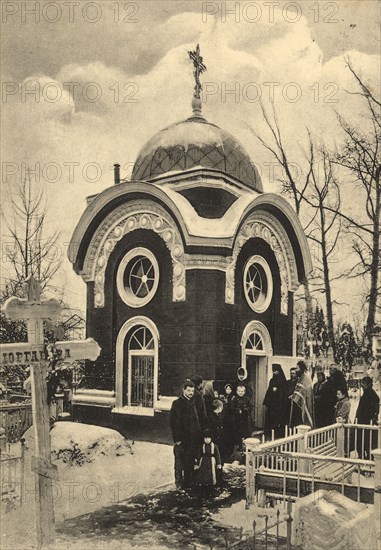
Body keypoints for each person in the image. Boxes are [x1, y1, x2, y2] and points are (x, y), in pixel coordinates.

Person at [169, 380, 202, 489]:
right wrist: (177, 439)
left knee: (190, 461)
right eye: (188, 391)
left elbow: (196, 421)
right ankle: (178, 483)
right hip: (182, 440)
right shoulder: (177, 403)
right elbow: (173, 423)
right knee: (179, 463)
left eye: (192, 391)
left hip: (192, 439)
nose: (191, 393)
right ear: (183, 390)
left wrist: (198, 435)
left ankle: (187, 483)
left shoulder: (193, 403)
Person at [355, 376, 380, 459]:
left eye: (364, 384)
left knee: (366, 440)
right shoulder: (367, 393)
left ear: (368, 384)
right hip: (364, 420)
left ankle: (366, 457)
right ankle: (364, 455)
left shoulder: (371, 394)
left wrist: (373, 418)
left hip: (366, 421)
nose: (362, 385)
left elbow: (373, 409)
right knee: (364, 440)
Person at [194, 428, 223, 497]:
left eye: (208, 438)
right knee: (203, 474)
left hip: (212, 462)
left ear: (211, 438)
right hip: (203, 461)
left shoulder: (214, 446)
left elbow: (217, 455)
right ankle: (204, 487)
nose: (207, 440)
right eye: (205, 438)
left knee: (212, 474)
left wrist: (219, 463)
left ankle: (212, 487)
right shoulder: (202, 446)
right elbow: (199, 455)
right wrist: (197, 463)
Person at [263, 364, 287, 439]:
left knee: (277, 420)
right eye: (273, 371)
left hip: (279, 405)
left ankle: (276, 435)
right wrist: (266, 402)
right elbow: (269, 391)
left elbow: (283, 393)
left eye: (276, 371)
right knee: (269, 418)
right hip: (271, 404)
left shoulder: (283, 381)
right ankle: (269, 434)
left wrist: (277, 390)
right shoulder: (272, 380)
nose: (274, 373)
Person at [289, 360, 314, 428]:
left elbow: (301, 392)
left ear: (301, 368)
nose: (296, 370)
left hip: (304, 403)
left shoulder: (305, 378)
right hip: (301, 402)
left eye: (297, 368)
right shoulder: (302, 377)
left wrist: (294, 397)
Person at [232, 385, 252, 449]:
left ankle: (246, 446)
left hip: (245, 419)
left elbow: (251, 407)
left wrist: (246, 409)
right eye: (239, 391)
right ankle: (239, 446)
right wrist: (237, 410)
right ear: (237, 391)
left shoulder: (247, 399)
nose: (241, 392)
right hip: (237, 419)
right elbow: (232, 408)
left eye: (242, 391)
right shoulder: (234, 399)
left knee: (245, 432)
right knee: (238, 432)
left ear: (244, 392)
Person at [207, 399, 225, 464]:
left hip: (217, 439)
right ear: (219, 407)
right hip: (216, 439)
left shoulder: (215, 416)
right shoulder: (213, 417)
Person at [222, 384, 235, 459]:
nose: (228, 391)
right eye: (227, 389)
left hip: (231, 418)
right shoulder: (223, 397)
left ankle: (231, 452)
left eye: (230, 389)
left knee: (231, 435)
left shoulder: (233, 398)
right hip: (225, 419)